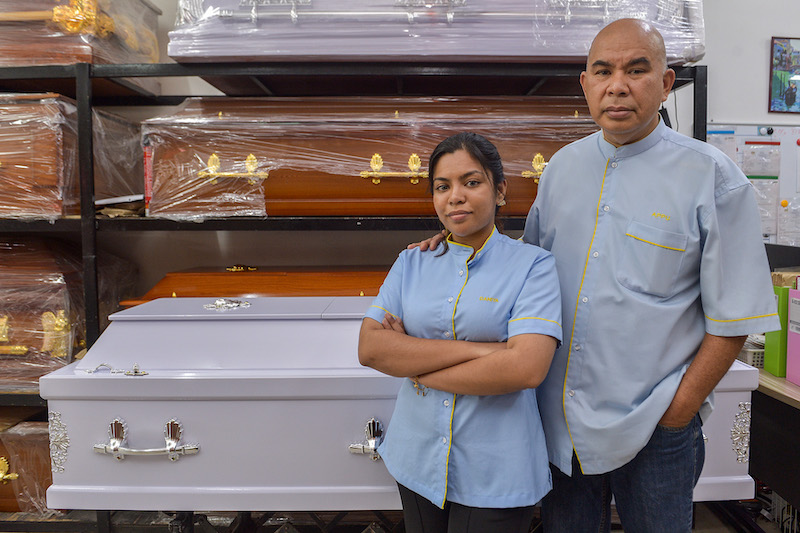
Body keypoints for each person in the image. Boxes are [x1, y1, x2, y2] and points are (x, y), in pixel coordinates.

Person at [414, 19, 780, 532]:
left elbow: (735, 315)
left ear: (666, 82)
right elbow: (525, 271)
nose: (618, 85)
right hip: (561, 422)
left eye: (637, 69)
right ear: (585, 83)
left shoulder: (713, 179)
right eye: (603, 71)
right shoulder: (562, 169)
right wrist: (453, 248)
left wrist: (680, 409)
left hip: (656, 428)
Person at [358, 132, 562, 533]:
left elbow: (526, 370)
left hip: (496, 468)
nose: (456, 196)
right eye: (442, 186)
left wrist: (414, 364)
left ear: (499, 190)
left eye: (471, 182)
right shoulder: (412, 261)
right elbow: (371, 349)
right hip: (416, 456)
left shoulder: (533, 266)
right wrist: (486, 353)